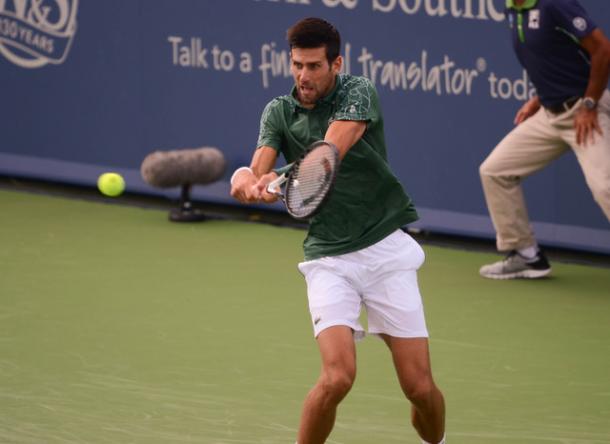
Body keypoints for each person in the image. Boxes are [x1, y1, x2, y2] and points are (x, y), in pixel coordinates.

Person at [230, 17, 445, 444]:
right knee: (337, 378)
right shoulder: (278, 110)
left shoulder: (357, 91)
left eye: (313, 66)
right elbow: (260, 166)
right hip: (329, 257)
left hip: (385, 249)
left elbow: (329, 151)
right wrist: (247, 179)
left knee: (419, 388)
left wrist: (275, 181)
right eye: (297, 65)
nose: (303, 76)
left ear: (336, 63)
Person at [479, 0, 610, 279]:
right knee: (495, 171)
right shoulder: (513, 9)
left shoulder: (555, 4)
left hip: (585, 113)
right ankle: (526, 255)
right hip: (550, 115)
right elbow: (554, 58)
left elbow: (601, 49)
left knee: (605, 188)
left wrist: (588, 105)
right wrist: (540, 99)